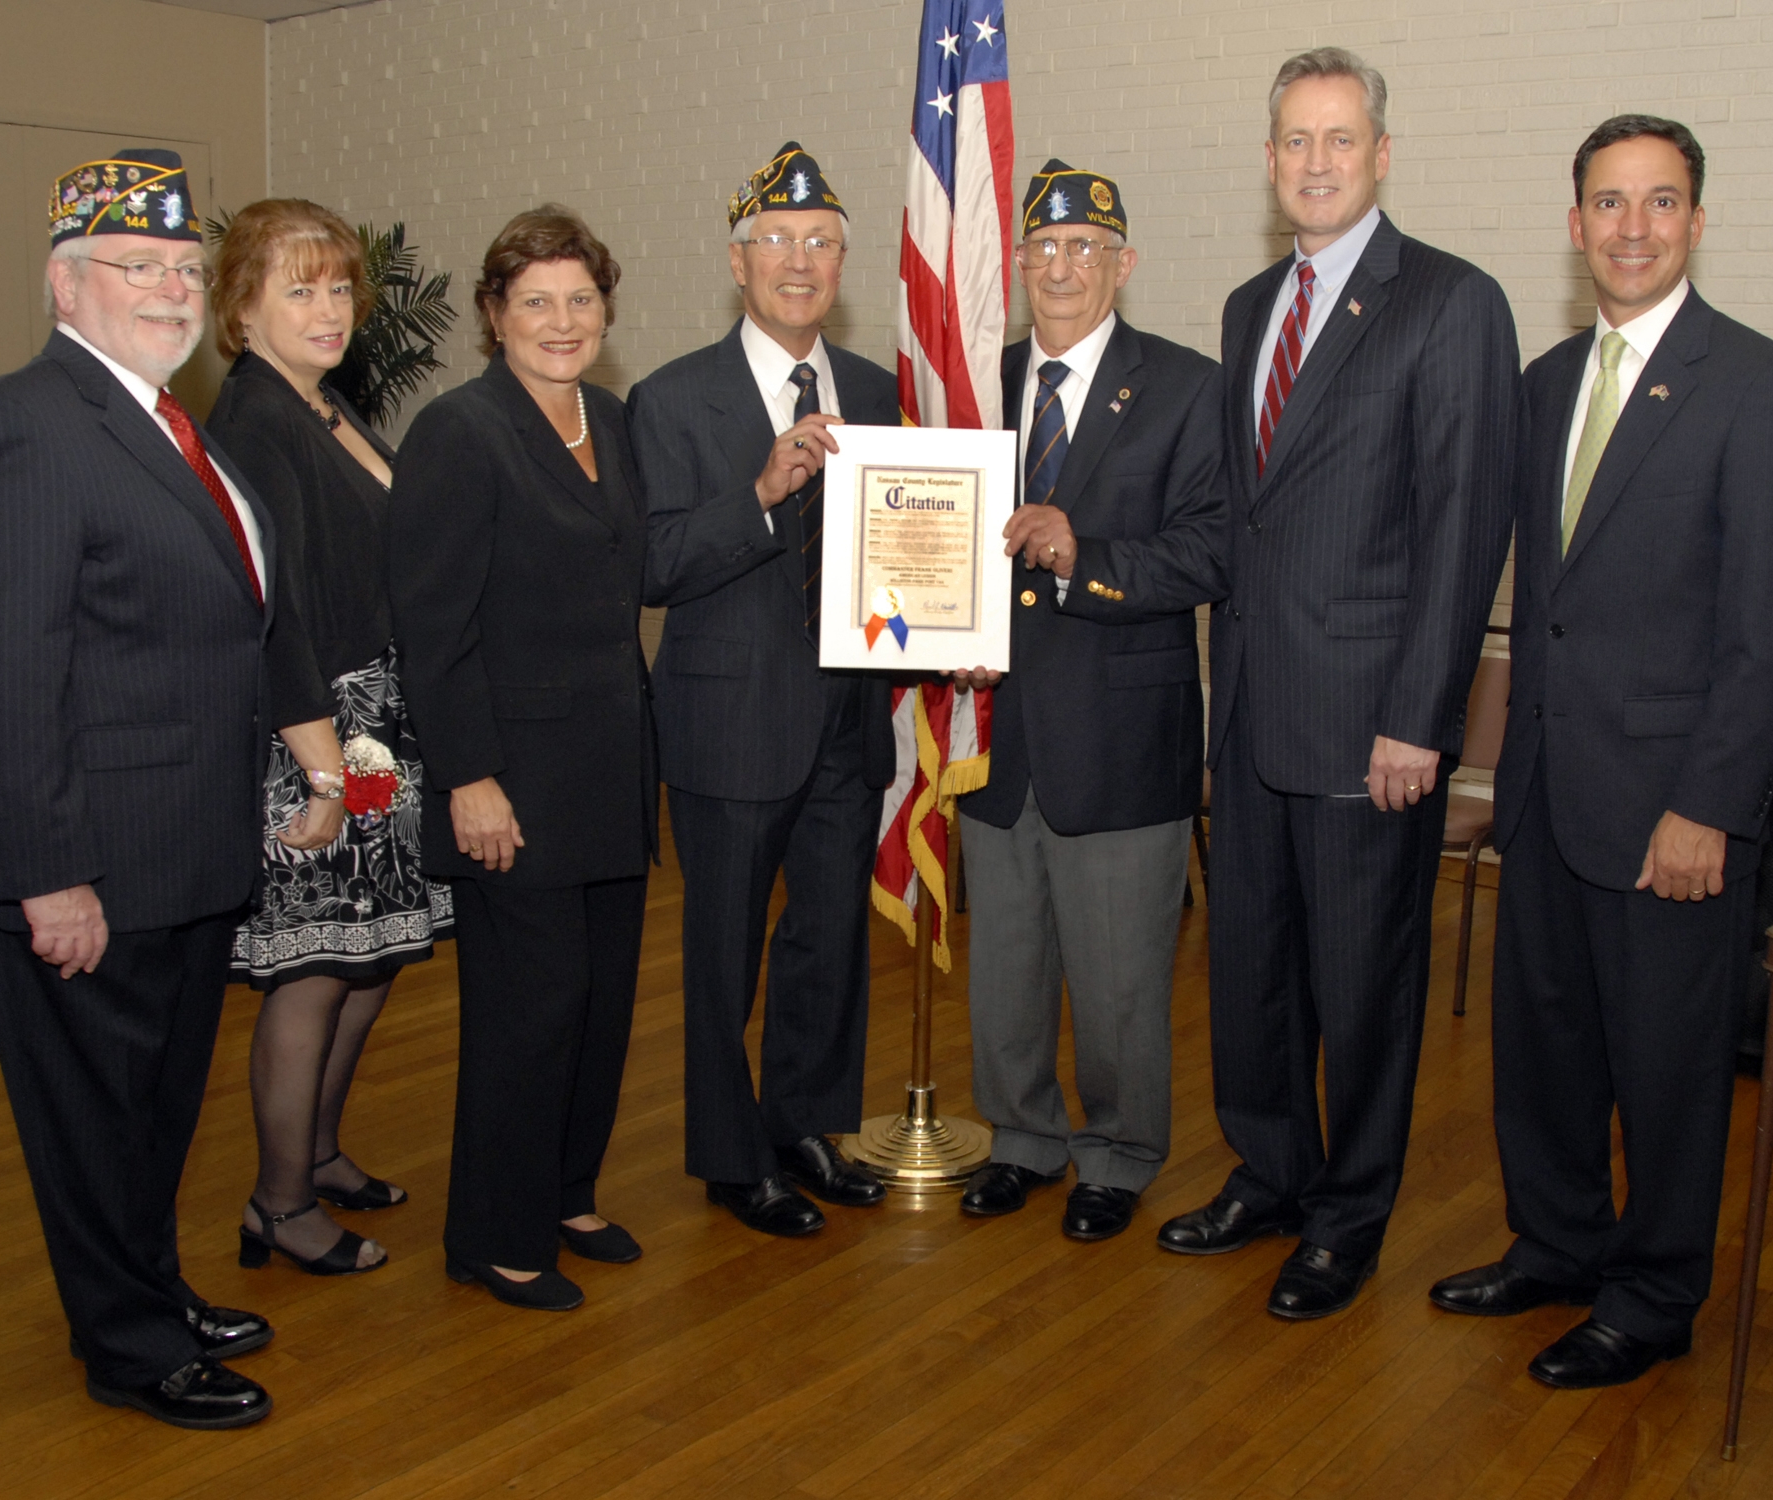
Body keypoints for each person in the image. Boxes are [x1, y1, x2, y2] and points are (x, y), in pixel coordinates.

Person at [1428, 116, 1773, 1389]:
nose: (1634, 228)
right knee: (1544, 1048)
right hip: (1547, 796)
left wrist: (1708, 806)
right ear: (1576, 224)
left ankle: (1654, 1297)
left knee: (1665, 1070)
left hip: (1671, 812)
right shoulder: (1545, 386)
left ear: (1698, 223)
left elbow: (1767, 636)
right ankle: (1554, 1245)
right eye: (1610, 204)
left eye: (1661, 204)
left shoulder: (1761, 388)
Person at [1160, 48, 1518, 1321]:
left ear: (1380, 154)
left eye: (1339, 139)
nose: (1315, 162)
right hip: (1254, 705)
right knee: (1250, 968)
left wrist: (1419, 721)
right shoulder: (1252, 305)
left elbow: (1464, 530)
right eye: (1294, 142)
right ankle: (1269, 1168)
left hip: (1374, 726)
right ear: (1271, 162)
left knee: (1365, 985)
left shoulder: (1450, 302)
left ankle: (1348, 1216)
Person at [0, 148, 275, 1428]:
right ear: (64, 283)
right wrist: (47, 872)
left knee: (151, 1110)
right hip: (86, 861)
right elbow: (9, 675)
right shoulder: (20, 425)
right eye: (141, 267)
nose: (173, 291)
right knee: (92, 1119)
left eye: (188, 269)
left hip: (179, 851)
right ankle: (130, 1348)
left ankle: (151, 1286)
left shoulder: (165, 424)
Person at [950, 163, 1224, 1241]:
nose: (1060, 268)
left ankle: (1117, 1153)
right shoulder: (976, 381)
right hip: (997, 732)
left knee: (1118, 987)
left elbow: (1208, 551)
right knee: (1005, 973)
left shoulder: (1187, 387)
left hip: (1122, 736)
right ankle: (1021, 1137)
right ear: (1017, 264)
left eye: (1084, 250)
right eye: (1043, 250)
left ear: (1124, 264)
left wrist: (1084, 556)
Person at [629, 142, 899, 1236]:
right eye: (777, 243)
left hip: (847, 720)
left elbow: (904, 555)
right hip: (727, 722)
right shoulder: (671, 396)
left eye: (821, 243)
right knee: (723, 953)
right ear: (738, 264)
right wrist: (759, 489)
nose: (800, 262)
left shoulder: (879, 392)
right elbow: (649, 564)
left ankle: (805, 1126)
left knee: (829, 940)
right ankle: (731, 1158)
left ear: (842, 263)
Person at [389, 205, 655, 1312]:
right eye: (535, 301)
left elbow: (635, 573)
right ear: (494, 316)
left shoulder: (613, 418)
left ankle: (566, 1192)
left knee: (600, 1002)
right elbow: (430, 626)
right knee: (528, 1009)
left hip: (609, 768)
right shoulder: (460, 431)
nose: (562, 320)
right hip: (512, 780)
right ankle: (493, 1233)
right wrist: (470, 777)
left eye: (581, 299)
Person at [204, 198, 453, 1278]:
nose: (329, 308)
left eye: (339, 286)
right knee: (310, 971)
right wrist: (319, 775)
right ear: (240, 306)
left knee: (372, 958)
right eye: (297, 288)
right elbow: (279, 614)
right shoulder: (258, 420)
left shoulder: (324, 404)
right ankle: (279, 1202)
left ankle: (320, 1152)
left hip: (378, 730)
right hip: (320, 734)